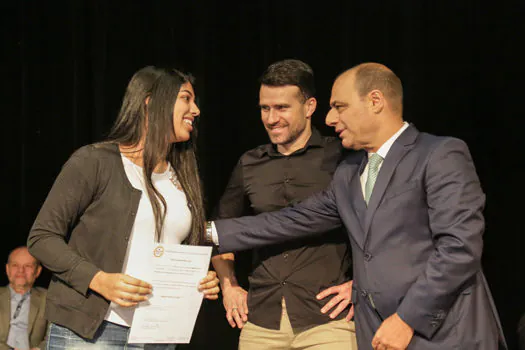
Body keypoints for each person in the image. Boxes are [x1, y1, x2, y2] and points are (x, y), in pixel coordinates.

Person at [208, 62, 507, 349]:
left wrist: (407, 318)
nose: (329, 119)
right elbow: (287, 221)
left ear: (375, 101)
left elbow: (459, 249)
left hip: (443, 334)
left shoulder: (440, 154)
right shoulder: (349, 173)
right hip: (377, 335)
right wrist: (202, 232)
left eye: (340, 106)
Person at [27, 66, 220, 350]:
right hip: (91, 333)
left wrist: (200, 279)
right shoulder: (95, 161)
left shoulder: (182, 177)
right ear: (150, 102)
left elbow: (179, 250)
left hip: (158, 336)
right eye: (186, 98)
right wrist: (98, 280)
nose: (196, 110)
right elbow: (41, 238)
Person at [211, 59, 357, 349]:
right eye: (265, 108)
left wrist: (361, 286)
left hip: (328, 320)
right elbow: (220, 233)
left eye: (282, 108)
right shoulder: (249, 162)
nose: (271, 118)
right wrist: (230, 286)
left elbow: (374, 226)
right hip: (262, 320)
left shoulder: (340, 156)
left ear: (310, 106)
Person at [1, 247, 47, 350]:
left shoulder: (47, 299)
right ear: (7, 269)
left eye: (28, 266)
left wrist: (39, 349)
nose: (21, 271)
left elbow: (55, 334)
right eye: (15, 265)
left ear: (37, 271)